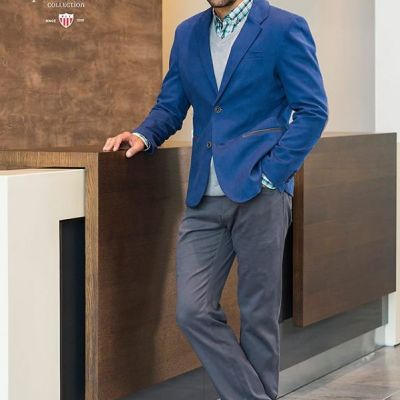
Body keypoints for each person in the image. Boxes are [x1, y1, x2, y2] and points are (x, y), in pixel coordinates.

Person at [103, 0, 328, 398]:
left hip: (260, 194)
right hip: (203, 198)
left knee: (258, 316)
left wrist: (272, 175)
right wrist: (142, 135)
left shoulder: (283, 27)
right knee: (192, 310)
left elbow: (312, 110)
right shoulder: (188, 33)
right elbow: (171, 105)